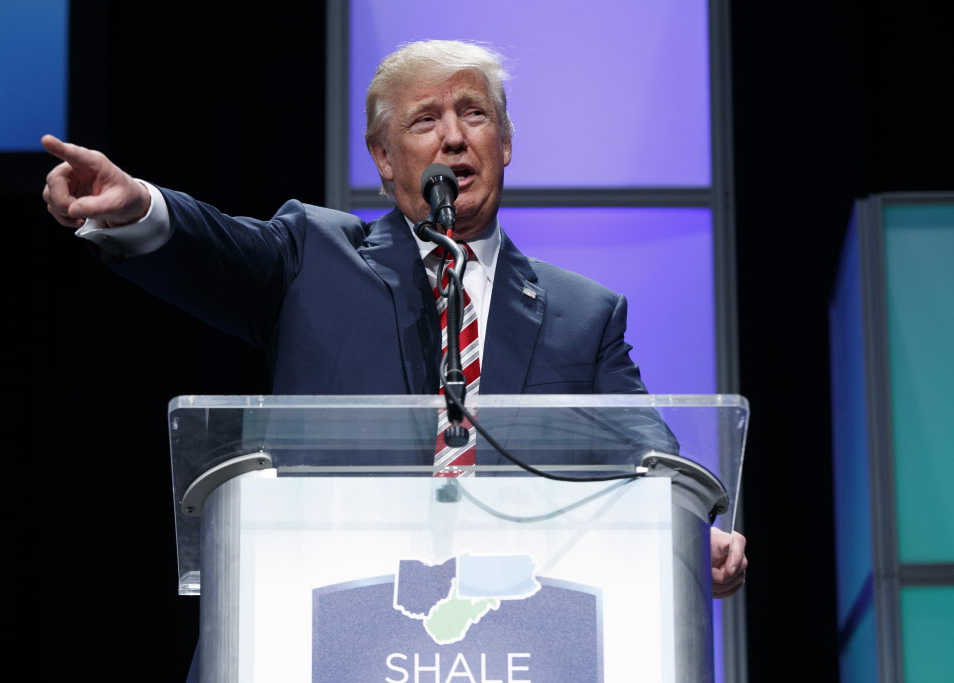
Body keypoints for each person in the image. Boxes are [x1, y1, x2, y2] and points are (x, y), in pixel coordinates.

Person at [41, 40, 746, 600]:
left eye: (474, 115)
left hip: (513, 623)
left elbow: (650, 454)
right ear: (383, 158)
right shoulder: (311, 255)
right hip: (317, 602)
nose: (453, 140)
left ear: (505, 143)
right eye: (423, 121)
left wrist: (692, 528)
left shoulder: (584, 314)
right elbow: (217, 246)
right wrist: (139, 206)